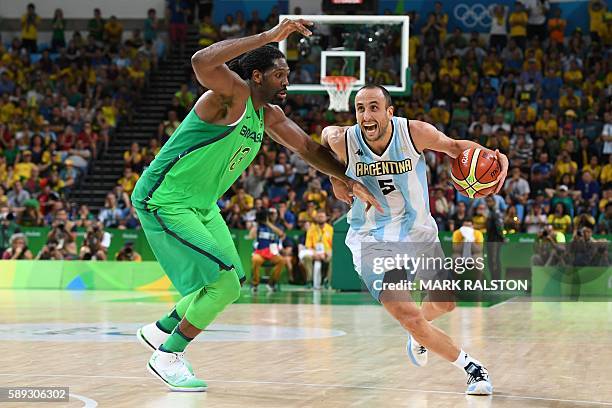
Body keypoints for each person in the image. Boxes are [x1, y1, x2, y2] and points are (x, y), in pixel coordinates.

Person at [132, 18, 380, 392]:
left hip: (201, 205)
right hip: (164, 198)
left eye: (288, 74)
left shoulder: (269, 116)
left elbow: (309, 148)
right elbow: (202, 61)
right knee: (223, 285)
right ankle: (168, 353)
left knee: (234, 280)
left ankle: (161, 329)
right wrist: (269, 37)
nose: (287, 81)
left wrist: (346, 179)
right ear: (257, 76)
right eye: (279, 74)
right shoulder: (229, 93)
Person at [322, 84, 509, 395]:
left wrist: (495, 158)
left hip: (418, 231)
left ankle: (418, 334)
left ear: (389, 112)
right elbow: (324, 138)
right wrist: (335, 178)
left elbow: (456, 148)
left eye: (373, 107)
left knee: (445, 302)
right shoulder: (345, 139)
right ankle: (473, 369)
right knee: (408, 315)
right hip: (372, 238)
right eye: (360, 109)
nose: (366, 115)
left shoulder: (414, 133)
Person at [248, 208, 285, 292]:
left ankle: (271, 283)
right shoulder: (259, 227)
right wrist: (257, 224)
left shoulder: (277, 226)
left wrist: (268, 223)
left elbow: (281, 234)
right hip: (260, 253)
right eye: (270, 214)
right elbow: (251, 236)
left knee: (282, 261)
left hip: (272, 253)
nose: (272, 216)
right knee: (255, 259)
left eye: (274, 214)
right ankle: (255, 284)